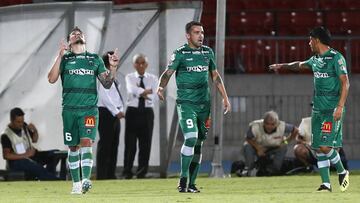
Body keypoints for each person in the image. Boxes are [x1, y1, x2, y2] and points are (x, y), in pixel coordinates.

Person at [269, 26, 350, 192]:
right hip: (318, 110)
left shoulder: (336, 58)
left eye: (310, 40)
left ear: (316, 40)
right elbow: (298, 65)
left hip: (331, 110)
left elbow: (345, 82)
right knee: (318, 146)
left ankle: (342, 171)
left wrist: (340, 106)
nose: (308, 43)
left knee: (326, 147)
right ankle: (326, 184)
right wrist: (282, 65)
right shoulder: (315, 60)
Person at [157, 21, 231, 193]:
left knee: (198, 144)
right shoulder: (180, 54)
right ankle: (183, 180)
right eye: (197, 32)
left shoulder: (207, 53)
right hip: (186, 104)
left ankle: (192, 184)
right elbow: (168, 73)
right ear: (188, 35)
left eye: (202, 32)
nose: (201, 36)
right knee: (190, 137)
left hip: (204, 105)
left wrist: (225, 97)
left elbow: (215, 76)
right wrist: (160, 87)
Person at [48, 26, 119, 194]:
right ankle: (76, 184)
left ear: (84, 38)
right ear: (69, 41)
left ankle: (86, 179)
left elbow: (107, 84)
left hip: (89, 110)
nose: (77, 34)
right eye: (73, 34)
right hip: (69, 110)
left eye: (80, 33)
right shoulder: (65, 60)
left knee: (87, 141)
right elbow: (51, 79)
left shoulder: (94, 59)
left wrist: (113, 67)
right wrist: (59, 56)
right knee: (73, 146)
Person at [122, 54, 158, 179]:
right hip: (132, 111)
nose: (141, 65)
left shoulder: (153, 78)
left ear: (146, 65)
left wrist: (140, 92)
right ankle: (127, 171)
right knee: (130, 143)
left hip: (147, 112)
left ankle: (142, 171)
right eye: (138, 62)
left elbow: (154, 95)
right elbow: (131, 90)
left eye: (143, 63)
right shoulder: (129, 77)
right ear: (134, 65)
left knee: (145, 143)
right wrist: (145, 91)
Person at [1, 107, 59, 180]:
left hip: (31, 156)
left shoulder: (24, 126)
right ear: (12, 120)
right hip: (17, 162)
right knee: (36, 167)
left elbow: (35, 140)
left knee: (55, 154)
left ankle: (47, 177)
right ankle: (53, 179)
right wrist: (26, 155)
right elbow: (6, 155)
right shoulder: (6, 135)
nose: (21, 124)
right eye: (18, 122)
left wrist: (35, 131)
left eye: (22, 121)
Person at [96, 51, 125, 180]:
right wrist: (116, 111)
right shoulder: (102, 76)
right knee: (105, 144)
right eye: (113, 59)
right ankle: (102, 174)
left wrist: (120, 108)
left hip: (114, 113)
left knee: (114, 144)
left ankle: (110, 174)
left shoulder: (113, 76)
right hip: (105, 112)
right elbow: (104, 96)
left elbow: (116, 96)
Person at [243, 111, 298, 176]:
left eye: (272, 124)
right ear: (263, 123)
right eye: (267, 124)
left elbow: (295, 130)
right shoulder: (255, 126)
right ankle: (249, 169)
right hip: (258, 147)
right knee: (247, 146)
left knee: (283, 147)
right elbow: (248, 138)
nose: (269, 126)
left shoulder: (282, 126)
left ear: (277, 124)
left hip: (274, 147)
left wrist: (286, 141)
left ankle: (273, 170)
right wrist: (258, 148)